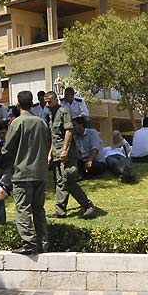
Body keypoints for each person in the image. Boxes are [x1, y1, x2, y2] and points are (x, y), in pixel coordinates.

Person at [2, 90, 51, 254]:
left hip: (22, 173)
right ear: (32, 104)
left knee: (23, 209)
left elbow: (6, 150)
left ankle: (29, 243)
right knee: (39, 209)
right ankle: (43, 242)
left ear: (18, 104)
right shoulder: (42, 123)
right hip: (40, 172)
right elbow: (48, 144)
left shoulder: (16, 123)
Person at [45, 91, 98, 219]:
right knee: (60, 182)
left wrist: (64, 150)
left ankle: (87, 205)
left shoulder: (63, 112)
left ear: (56, 100)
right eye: (45, 102)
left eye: (49, 101)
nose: (47, 104)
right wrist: (50, 154)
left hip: (66, 154)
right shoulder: (51, 116)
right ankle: (60, 211)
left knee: (68, 180)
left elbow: (69, 131)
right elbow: (54, 136)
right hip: (57, 153)